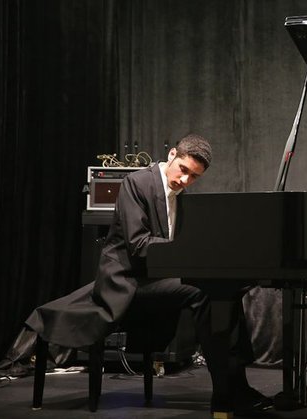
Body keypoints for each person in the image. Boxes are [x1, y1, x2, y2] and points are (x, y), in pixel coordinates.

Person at [25, 133, 272, 416]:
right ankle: (225, 394)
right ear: (172, 155)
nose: (185, 180)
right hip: (126, 281)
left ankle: (237, 383)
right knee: (203, 293)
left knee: (224, 290)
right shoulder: (137, 183)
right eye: (184, 170)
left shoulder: (181, 196)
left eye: (194, 177)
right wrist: (187, 249)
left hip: (155, 278)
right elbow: (139, 244)